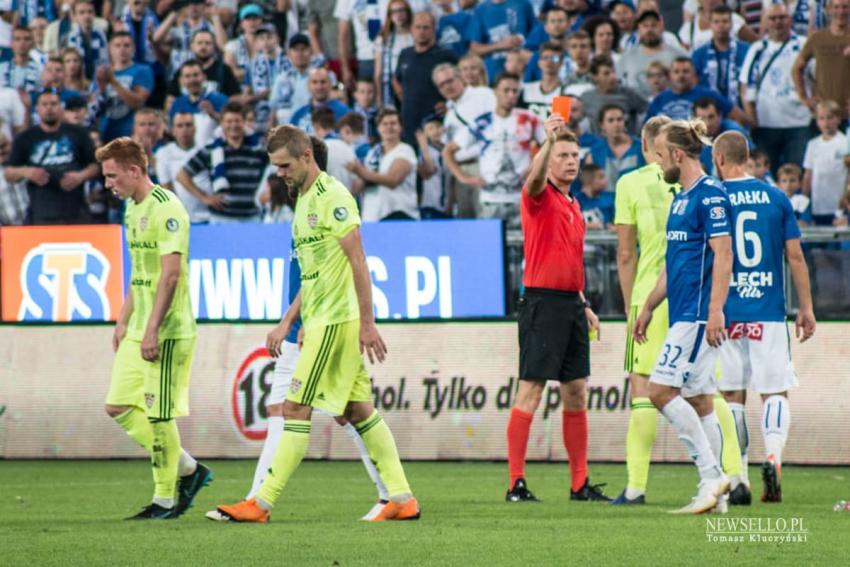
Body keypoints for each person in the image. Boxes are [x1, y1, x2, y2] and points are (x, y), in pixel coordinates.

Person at [213, 124, 420, 523]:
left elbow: (358, 260)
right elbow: (315, 274)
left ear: (307, 155)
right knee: (358, 410)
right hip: (322, 319)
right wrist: (295, 318)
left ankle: (261, 503)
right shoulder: (304, 199)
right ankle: (401, 497)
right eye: (275, 167)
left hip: (334, 322)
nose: (280, 173)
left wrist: (367, 322)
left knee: (294, 408)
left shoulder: (333, 197)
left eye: (285, 165)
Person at [97, 136, 211, 519]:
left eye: (113, 176)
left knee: (160, 415)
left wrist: (151, 330)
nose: (108, 183)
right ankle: (190, 470)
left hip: (167, 330)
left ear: (135, 170)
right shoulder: (132, 209)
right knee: (117, 405)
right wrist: (125, 318)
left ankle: (165, 500)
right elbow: (140, 273)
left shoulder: (168, 209)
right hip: (139, 326)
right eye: (106, 177)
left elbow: (171, 274)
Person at [505, 111, 609, 504]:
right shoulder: (538, 197)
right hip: (541, 303)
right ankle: (516, 482)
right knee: (531, 389)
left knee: (577, 391)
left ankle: (579, 484)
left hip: (569, 305)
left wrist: (583, 303)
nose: (570, 161)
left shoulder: (573, 203)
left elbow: (571, 259)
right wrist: (546, 142)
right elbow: (531, 180)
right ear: (548, 159)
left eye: (573, 156)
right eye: (562, 155)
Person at [633, 118, 733, 514]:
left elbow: (724, 253)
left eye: (660, 155)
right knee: (700, 399)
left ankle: (711, 476)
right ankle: (717, 495)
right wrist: (650, 304)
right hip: (681, 310)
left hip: (696, 314)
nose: (658, 164)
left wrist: (715, 311)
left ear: (676, 154)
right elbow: (674, 263)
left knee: (659, 392)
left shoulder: (710, 195)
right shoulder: (680, 197)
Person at [712, 131, 816, 504]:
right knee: (774, 391)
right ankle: (773, 455)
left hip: (725, 313)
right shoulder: (776, 198)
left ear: (721, 159)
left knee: (732, 396)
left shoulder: (714, 198)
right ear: (748, 159)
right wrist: (805, 307)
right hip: (768, 313)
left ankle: (738, 476)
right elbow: (796, 257)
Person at [612, 116, 676, 505]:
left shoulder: (631, 182)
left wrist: (629, 304)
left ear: (644, 143)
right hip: (692, 295)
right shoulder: (692, 180)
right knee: (705, 390)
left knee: (642, 384)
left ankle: (635, 487)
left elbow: (624, 253)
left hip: (649, 293)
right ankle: (734, 479)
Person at [443, 72, 544, 228]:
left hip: (522, 199)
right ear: (495, 92)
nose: (511, 95)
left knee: (523, 249)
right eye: (506, 90)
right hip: (490, 200)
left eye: (515, 91)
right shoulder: (482, 122)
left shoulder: (529, 119)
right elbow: (448, 151)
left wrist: (535, 169)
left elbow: (551, 147)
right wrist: (464, 178)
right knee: (491, 249)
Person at [5, 89, 99, 224]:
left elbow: (95, 166)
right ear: (37, 109)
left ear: (61, 107)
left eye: (53, 104)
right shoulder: (25, 138)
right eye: (44, 104)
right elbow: (9, 173)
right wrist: (27, 172)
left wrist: (80, 176)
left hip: (76, 211)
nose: (49, 108)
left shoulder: (79, 133)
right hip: (40, 212)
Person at [740, 3, 811, 174]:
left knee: (795, 174)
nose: (777, 22)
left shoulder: (803, 45)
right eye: (772, 18)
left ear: (790, 20)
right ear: (765, 21)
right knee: (766, 175)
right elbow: (745, 85)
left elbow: (817, 77)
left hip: (799, 123)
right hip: (766, 123)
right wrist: (751, 116)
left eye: (782, 18)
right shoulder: (757, 49)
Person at [177, 101, 269, 223]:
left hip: (252, 218)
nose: (233, 125)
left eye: (237, 121)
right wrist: (204, 198)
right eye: (229, 121)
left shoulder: (259, 148)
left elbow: (273, 172)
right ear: (222, 123)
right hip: (221, 219)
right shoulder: (211, 149)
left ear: (244, 122)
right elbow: (182, 175)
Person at [393, 11, 458, 146]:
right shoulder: (405, 54)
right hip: (409, 122)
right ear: (411, 29)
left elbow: (461, 84)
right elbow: (396, 79)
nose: (421, 32)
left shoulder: (446, 55)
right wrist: (404, 100)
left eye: (426, 27)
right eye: (418, 27)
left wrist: (450, 105)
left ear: (434, 29)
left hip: (436, 124)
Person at [347, 107, 419, 221]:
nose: (389, 127)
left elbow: (393, 180)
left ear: (400, 127)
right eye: (384, 124)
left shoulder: (405, 150)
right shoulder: (373, 153)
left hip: (401, 215)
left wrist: (361, 171)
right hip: (372, 215)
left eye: (393, 123)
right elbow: (358, 186)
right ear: (378, 128)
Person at [644, 57, 748, 125]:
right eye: (676, 72)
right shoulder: (659, 99)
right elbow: (646, 129)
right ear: (670, 75)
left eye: (686, 71)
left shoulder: (708, 95)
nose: (681, 76)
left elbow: (739, 117)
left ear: (694, 74)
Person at [792, 0, 850, 122]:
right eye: (837, 7)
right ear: (829, 9)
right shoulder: (817, 38)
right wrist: (804, 98)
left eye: (845, 7)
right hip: (824, 116)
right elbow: (796, 68)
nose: (841, 11)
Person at [94, 30, 153, 142]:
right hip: (106, 133)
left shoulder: (142, 70)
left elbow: (138, 102)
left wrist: (113, 82)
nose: (122, 49)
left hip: (130, 135)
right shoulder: (101, 72)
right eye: (117, 45)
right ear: (110, 49)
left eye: (126, 45)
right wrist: (101, 88)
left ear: (134, 48)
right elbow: (96, 107)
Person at [617, 9, 687, 100]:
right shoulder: (626, 58)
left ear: (661, 27)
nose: (649, 30)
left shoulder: (678, 55)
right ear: (639, 29)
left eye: (654, 25)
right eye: (645, 26)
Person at [155, 111, 210, 223]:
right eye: (179, 126)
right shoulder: (163, 153)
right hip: (182, 218)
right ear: (173, 130)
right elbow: (166, 187)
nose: (184, 129)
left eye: (188, 125)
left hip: (208, 216)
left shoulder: (206, 150)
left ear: (195, 128)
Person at [690, 4, 750, 107]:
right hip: (709, 110)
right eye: (716, 22)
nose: (721, 26)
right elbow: (694, 86)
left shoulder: (746, 50)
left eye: (725, 21)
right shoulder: (699, 54)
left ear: (731, 24)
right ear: (710, 24)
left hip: (741, 110)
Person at [802, 100, 849, 225]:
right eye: (821, 118)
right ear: (817, 121)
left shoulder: (845, 142)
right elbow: (808, 174)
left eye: (830, 118)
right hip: (818, 205)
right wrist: (804, 198)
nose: (826, 122)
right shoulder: (813, 144)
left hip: (839, 205)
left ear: (839, 119)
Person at [269, 33, 329, 127]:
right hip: (286, 130)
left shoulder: (319, 77)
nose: (300, 53)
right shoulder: (282, 79)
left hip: (313, 127)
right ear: (289, 54)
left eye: (303, 49)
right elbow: (273, 110)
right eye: (295, 50)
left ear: (311, 52)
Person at [166, 29, 242, 103]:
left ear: (214, 46)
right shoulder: (183, 70)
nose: (203, 46)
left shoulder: (224, 70)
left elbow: (235, 97)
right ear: (192, 46)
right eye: (199, 43)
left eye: (207, 43)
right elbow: (171, 98)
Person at [468, 0, 536, 82]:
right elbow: (475, 49)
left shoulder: (523, 4)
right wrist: (500, 45)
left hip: (524, 74)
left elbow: (537, 37)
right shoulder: (480, 10)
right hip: (494, 74)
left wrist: (523, 50)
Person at [580, 55, 647, 137]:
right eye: (606, 73)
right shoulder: (586, 98)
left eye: (613, 72)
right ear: (595, 77)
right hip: (599, 146)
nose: (613, 77)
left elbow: (650, 112)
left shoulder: (629, 93)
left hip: (628, 146)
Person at [168, 59, 229, 148]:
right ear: (182, 80)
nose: (192, 80)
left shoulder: (220, 100)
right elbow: (172, 132)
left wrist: (214, 114)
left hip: (213, 151)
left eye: (195, 75)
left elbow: (233, 127)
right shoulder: (177, 104)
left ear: (204, 77)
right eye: (187, 76)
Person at [587, 104, 645, 193]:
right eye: (611, 120)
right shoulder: (594, 153)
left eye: (619, 119)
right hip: (606, 204)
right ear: (602, 125)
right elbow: (590, 188)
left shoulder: (641, 147)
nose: (616, 124)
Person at [374, 0, 413, 108]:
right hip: (391, 85)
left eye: (401, 10)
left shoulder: (415, 35)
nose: (398, 15)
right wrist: (379, 99)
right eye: (394, 12)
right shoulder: (383, 39)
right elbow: (378, 73)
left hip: (412, 82)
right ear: (389, 15)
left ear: (408, 12)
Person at [288, 68, 351, 134]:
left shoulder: (344, 112)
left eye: (323, 82)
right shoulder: (299, 114)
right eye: (314, 82)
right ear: (308, 86)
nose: (319, 87)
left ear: (330, 84)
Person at [311, 106, 357, 190]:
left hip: (328, 200)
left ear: (316, 126)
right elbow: (357, 182)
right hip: (348, 199)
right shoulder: (349, 147)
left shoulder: (318, 149)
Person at [63, 0, 109, 81]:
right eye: (82, 13)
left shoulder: (103, 34)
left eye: (90, 12)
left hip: (99, 80)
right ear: (75, 16)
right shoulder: (67, 38)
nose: (86, 16)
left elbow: (105, 61)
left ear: (94, 14)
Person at [416, 114, 450, 218]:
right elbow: (428, 172)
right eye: (430, 128)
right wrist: (423, 146)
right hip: (430, 204)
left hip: (448, 205)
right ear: (425, 133)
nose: (436, 131)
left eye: (438, 126)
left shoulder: (450, 149)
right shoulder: (424, 151)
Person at [576, 163, 614, 229]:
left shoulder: (609, 201)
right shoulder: (573, 201)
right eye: (601, 177)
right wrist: (591, 225)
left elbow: (616, 226)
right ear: (589, 180)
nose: (605, 181)